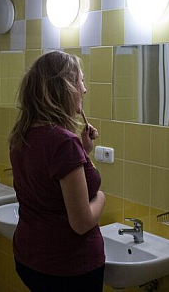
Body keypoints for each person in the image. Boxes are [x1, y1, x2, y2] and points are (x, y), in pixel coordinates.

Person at [8, 50, 106, 292]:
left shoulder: (22, 135)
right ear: (64, 87)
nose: (84, 89)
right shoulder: (62, 142)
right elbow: (81, 223)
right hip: (68, 267)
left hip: (29, 259)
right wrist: (102, 198)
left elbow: (47, 186)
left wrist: (83, 151)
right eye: (80, 80)